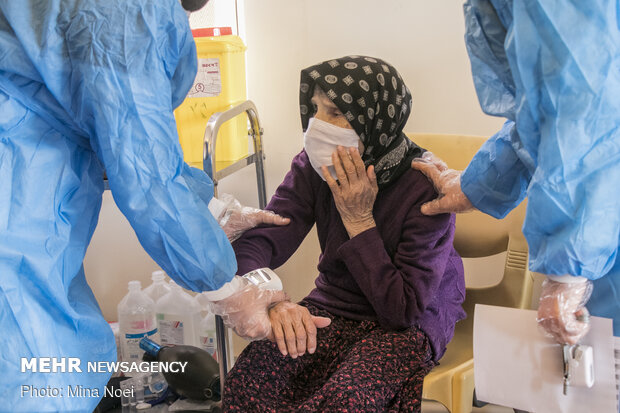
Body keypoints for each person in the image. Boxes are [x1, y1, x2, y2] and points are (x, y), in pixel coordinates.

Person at [0, 1, 297, 411]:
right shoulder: (125, 13)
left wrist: (212, 210)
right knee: (29, 376)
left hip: (25, 199)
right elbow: (143, 165)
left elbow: (116, 137)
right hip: (13, 227)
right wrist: (227, 291)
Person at [223, 56, 466, 412]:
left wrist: (359, 220)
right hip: (333, 305)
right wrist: (268, 299)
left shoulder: (422, 185)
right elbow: (264, 238)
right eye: (316, 109)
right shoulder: (315, 167)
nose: (317, 125)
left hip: (408, 319)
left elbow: (402, 310)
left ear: (375, 121)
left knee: (345, 401)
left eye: (336, 113)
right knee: (249, 380)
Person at [411, 0, 620, 348]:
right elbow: (540, 113)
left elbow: (586, 115)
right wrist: (477, 183)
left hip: (601, 208)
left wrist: (568, 271)